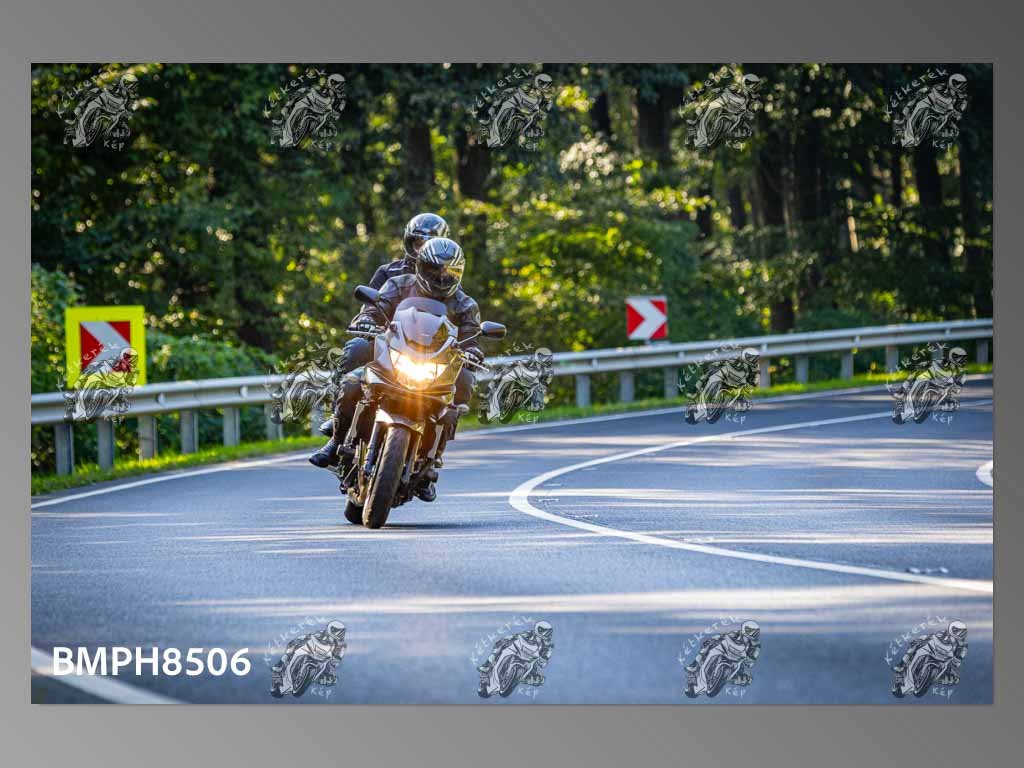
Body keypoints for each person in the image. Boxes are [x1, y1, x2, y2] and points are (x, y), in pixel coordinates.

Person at [309, 238, 483, 503]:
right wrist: (367, 320)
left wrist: (473, 351)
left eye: (449, 271)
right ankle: (336, 440)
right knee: (353, 380)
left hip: (435, 368)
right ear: (420, 266)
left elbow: (472, 338)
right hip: (392, 357)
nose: (440, 276)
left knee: (465, 381)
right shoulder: (398, 285)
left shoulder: (465, 304)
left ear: (459, 273)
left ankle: (432, 458)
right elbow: (374, 308)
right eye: (434, 269)